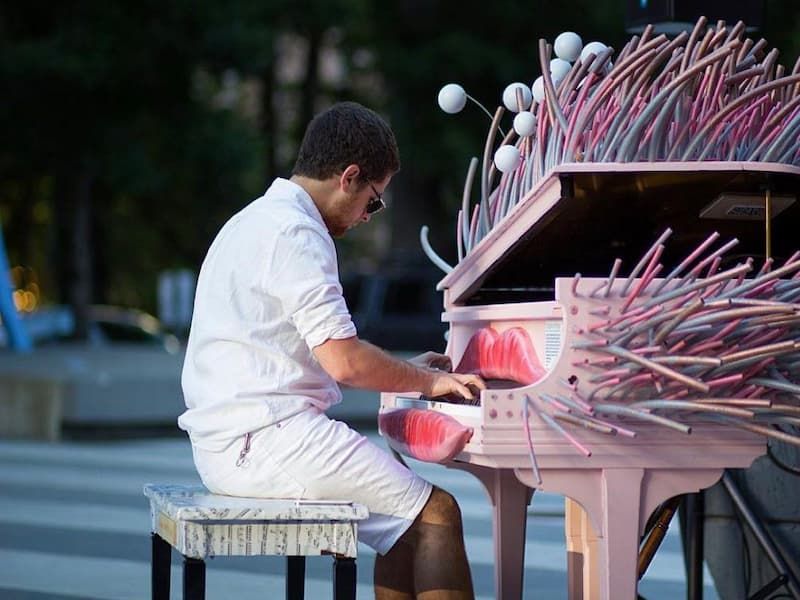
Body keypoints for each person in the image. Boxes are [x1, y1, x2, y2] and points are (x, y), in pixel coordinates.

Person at [179, 101, 486, 599]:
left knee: (403, 526)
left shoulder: (256, 219)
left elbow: (329, 348)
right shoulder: (297, 233)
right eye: (375, 199)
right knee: (438, 514)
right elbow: (343, 362)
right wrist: (428, 382)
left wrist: (404, 370)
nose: (369, 215)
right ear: (349, 177)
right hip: (263, 438)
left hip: (240, 436)